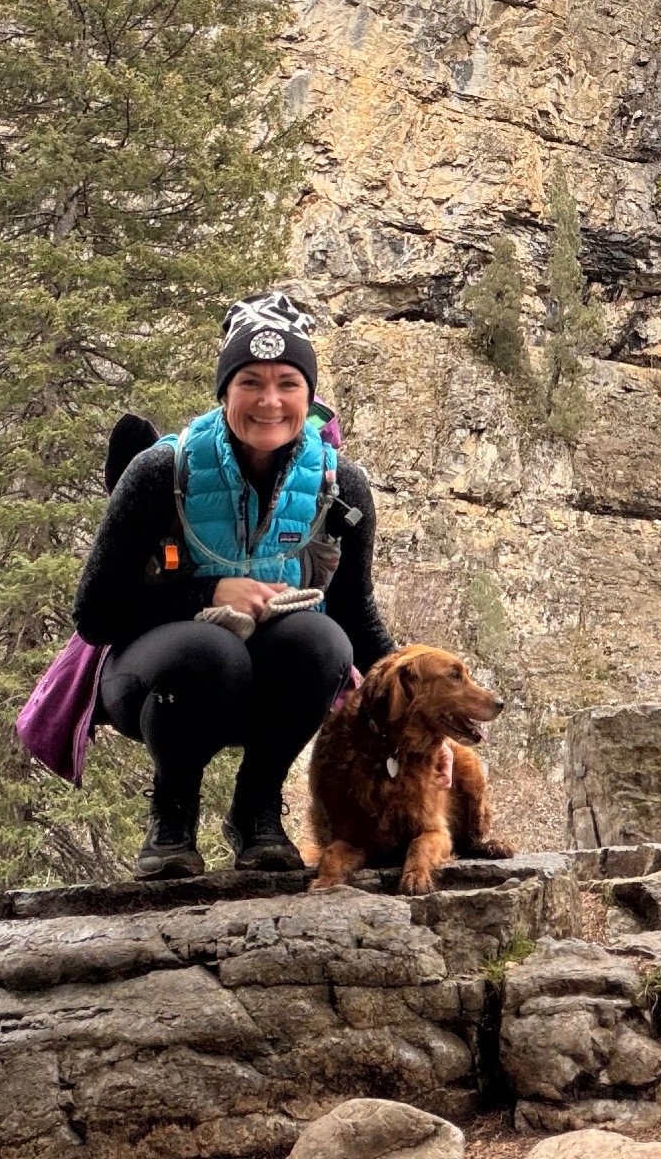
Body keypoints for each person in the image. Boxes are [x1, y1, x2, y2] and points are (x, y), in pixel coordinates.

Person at [73, 292, 395, 880]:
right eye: (250, 382)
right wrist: (207, 594)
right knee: (209, 650)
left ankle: (257, 812)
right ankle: (172, 818)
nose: (270, 401)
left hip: (268, 686)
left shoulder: (339, 487)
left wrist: (425, 718)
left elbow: (356, 612)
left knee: (324, 641)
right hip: (155, 681)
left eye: (288, 383)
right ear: (225, 391)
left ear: (309, 396)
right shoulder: (161, 472)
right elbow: (96, 614)